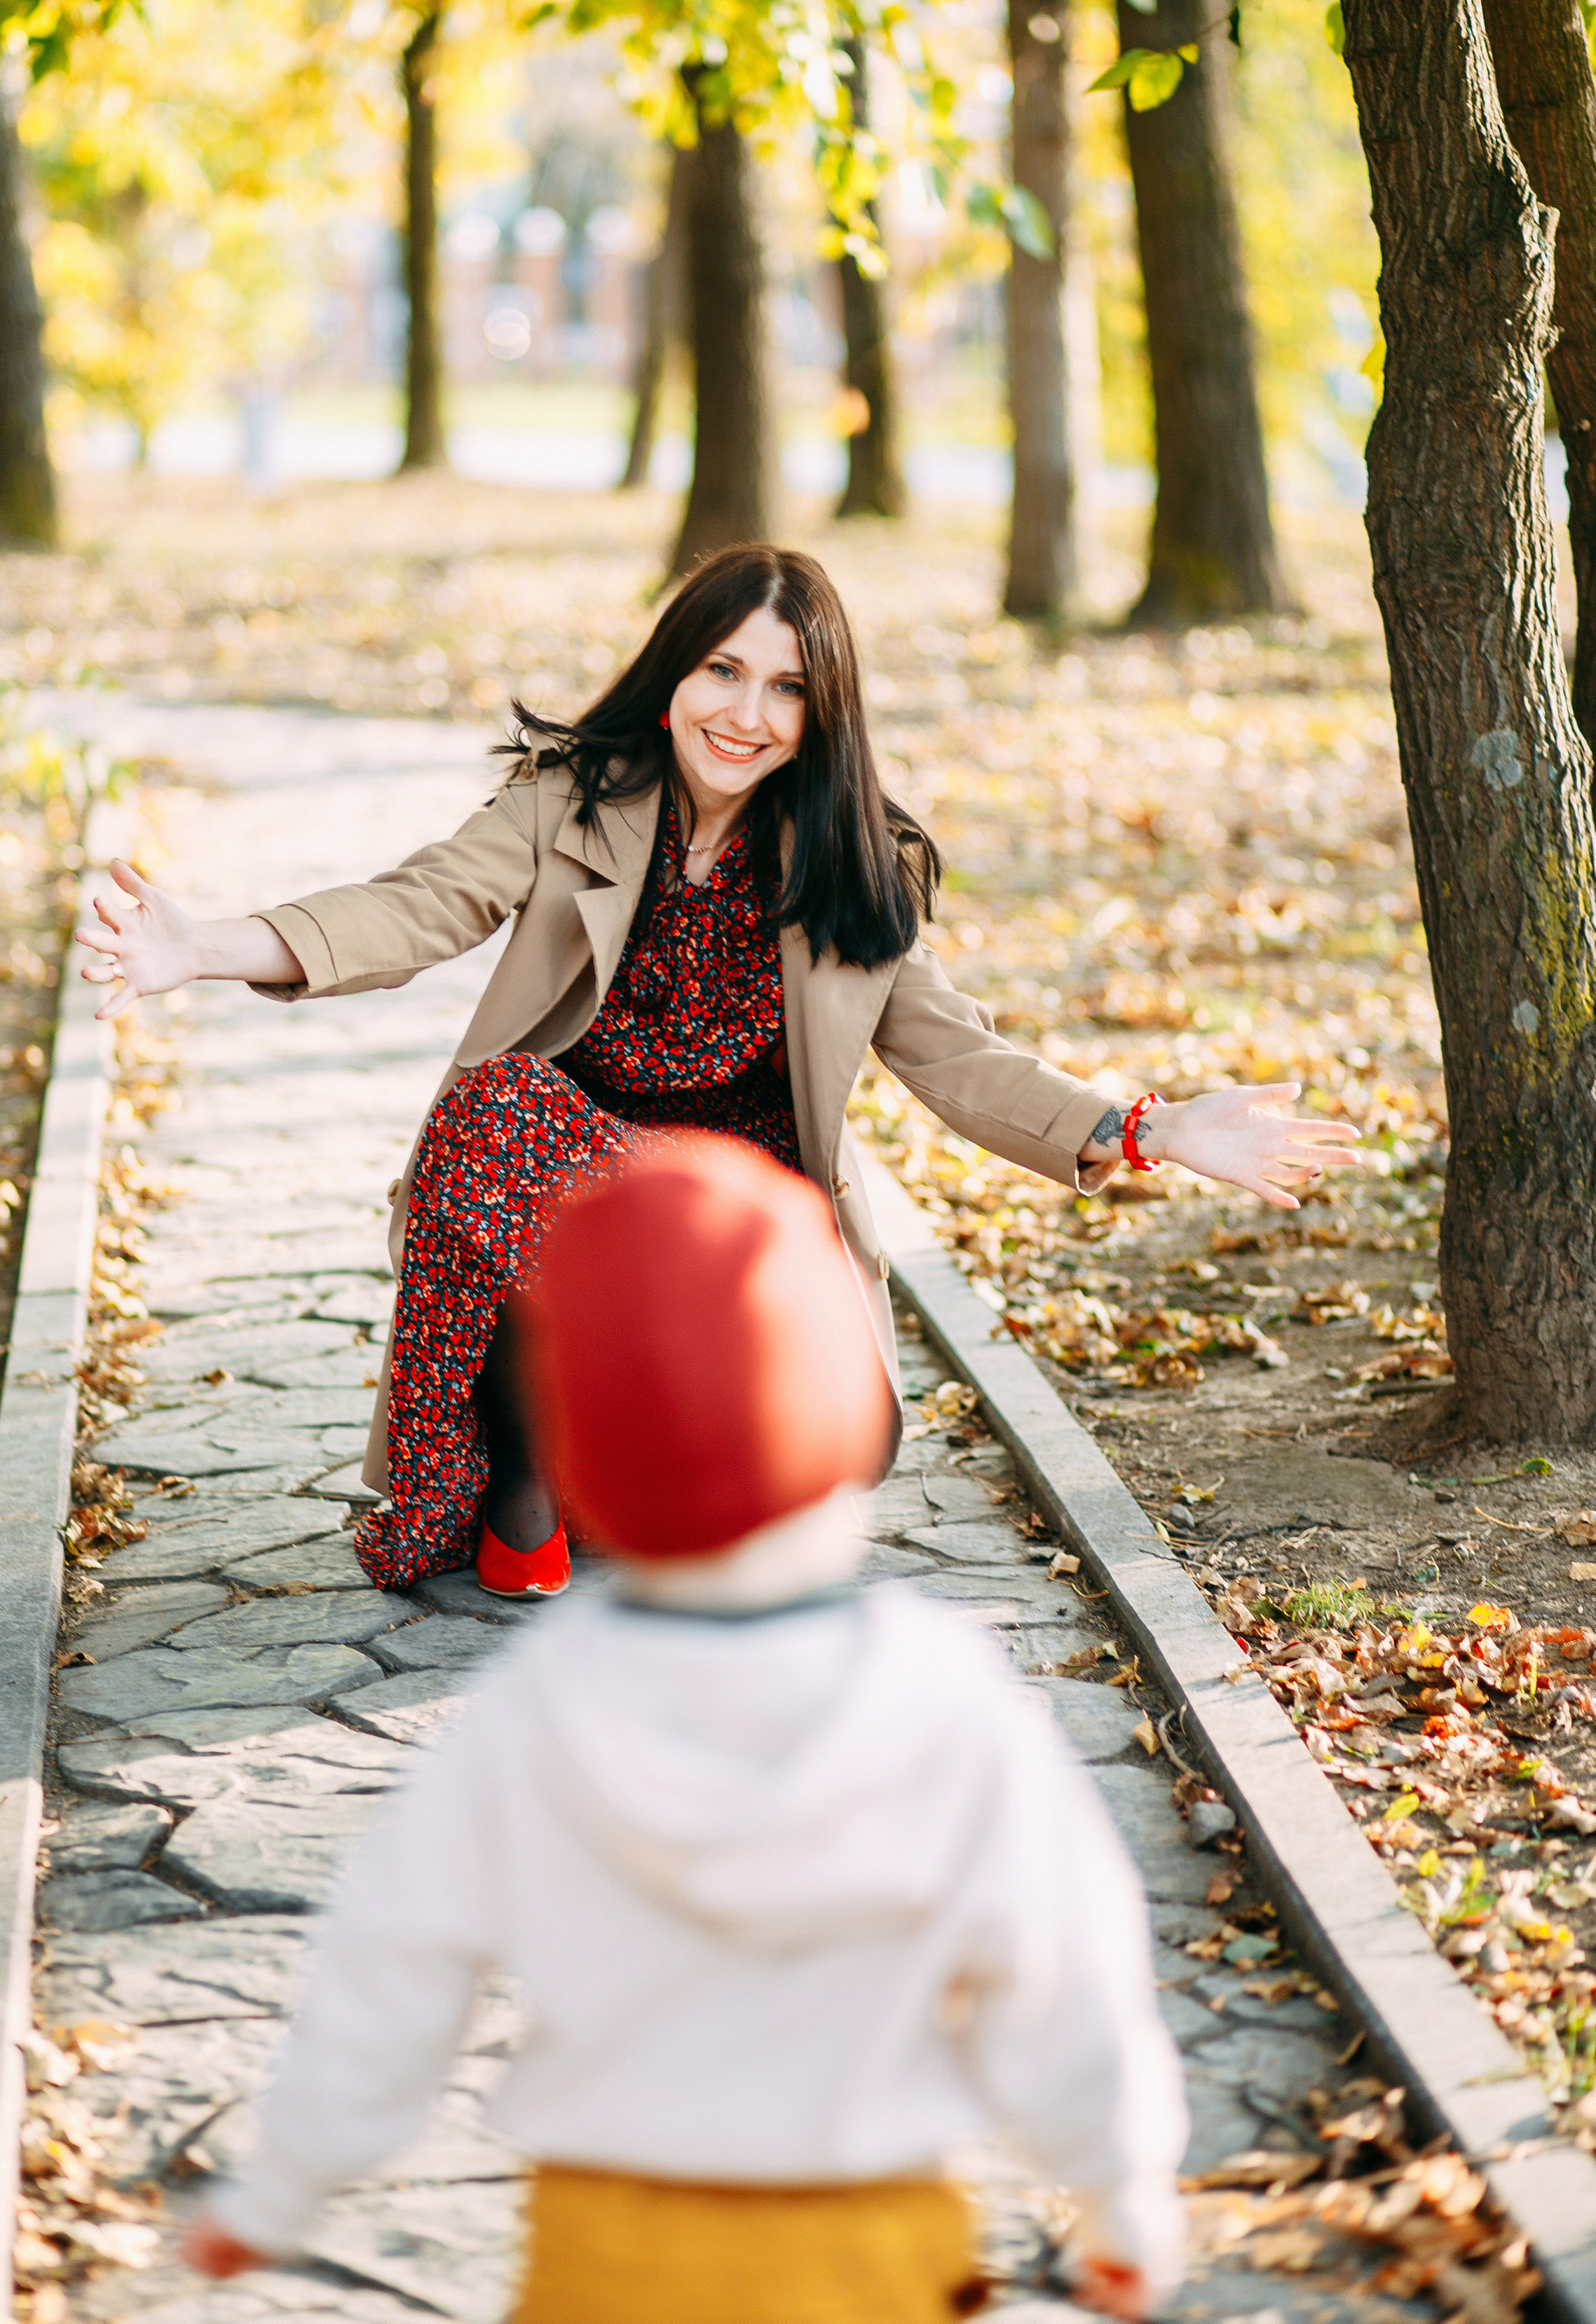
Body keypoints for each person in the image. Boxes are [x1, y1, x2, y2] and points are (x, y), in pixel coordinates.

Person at [77, 545, 1356, 1599]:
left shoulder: (856, 868)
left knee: (703, 1476)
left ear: (824, 713)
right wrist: (205, 948)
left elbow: (960, 1058)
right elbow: (417, 906)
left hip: (753, 1272)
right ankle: (520, 1471)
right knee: (493, 1107)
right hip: (566, 1223)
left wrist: (1149, 1129)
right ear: (674, 673)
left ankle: (624, 1464)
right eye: (722, 670)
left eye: (787, 689)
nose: (747, 714)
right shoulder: (569, 802)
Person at [181, 1137, 1190, 2324]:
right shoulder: (944, 1693)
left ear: (585, 1462)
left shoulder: (538, 1708)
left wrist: (284, 2188)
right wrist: (1124, 2195)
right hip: (873, 2248)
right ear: (835, 1413)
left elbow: (392, 1963)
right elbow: (1064, 1964)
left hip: (610, 2256)